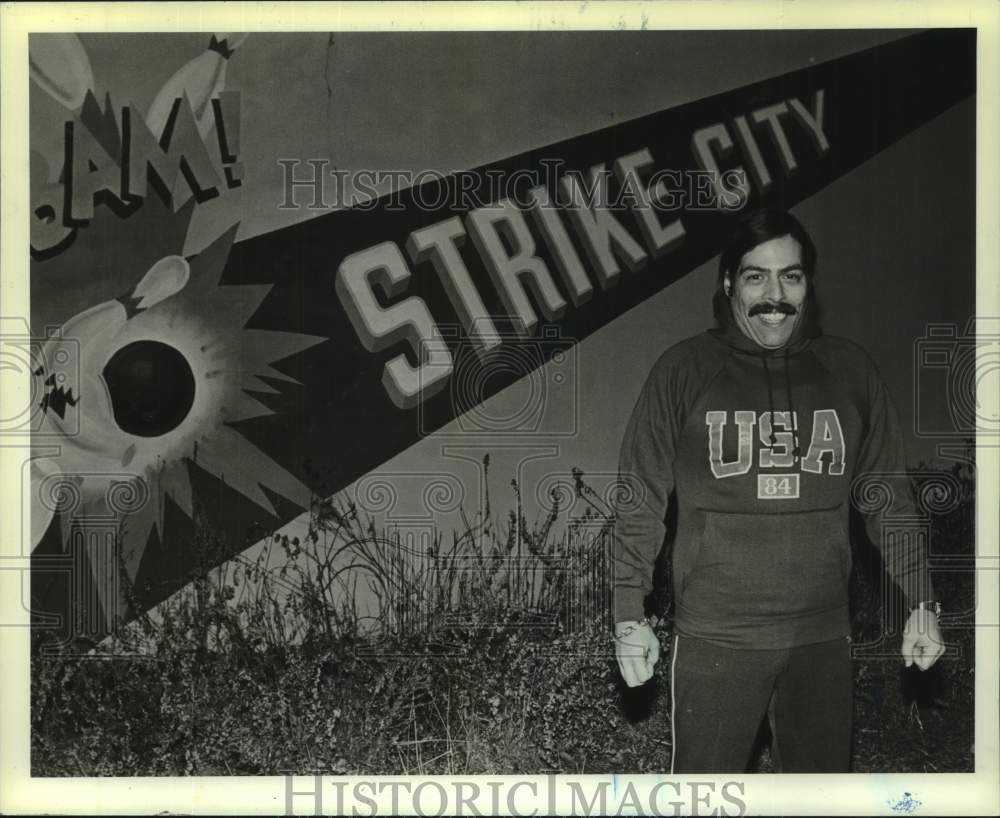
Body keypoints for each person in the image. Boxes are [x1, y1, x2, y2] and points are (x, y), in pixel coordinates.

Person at [612, 207, 944, 773]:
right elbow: (639, 498)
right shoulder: (684, 371)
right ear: (727, 285)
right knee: (702, 803)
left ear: (809, 284)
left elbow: (888, 499)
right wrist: (627, 613)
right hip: (717, 639)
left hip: (821, 638)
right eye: (755, 276)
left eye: (790, 275)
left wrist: (923, 599)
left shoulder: (850, 372)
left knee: (819, 803)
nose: (775, 295)